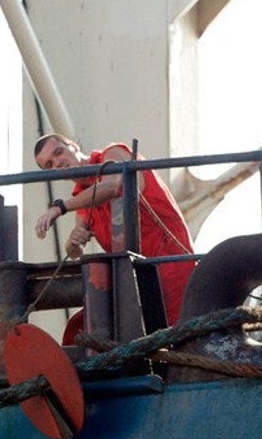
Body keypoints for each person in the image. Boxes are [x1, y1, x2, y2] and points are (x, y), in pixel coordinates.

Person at [33, 134, 195, 326]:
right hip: (137, 280)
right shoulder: (82, 197)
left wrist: (59, 207)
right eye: (49, 165)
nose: (57, 164)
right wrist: (73, 242)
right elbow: (75, 250)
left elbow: (111, 186)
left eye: (59, 152)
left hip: (172, 264)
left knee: (181, 334)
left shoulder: (113, 154)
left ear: (73, 146)